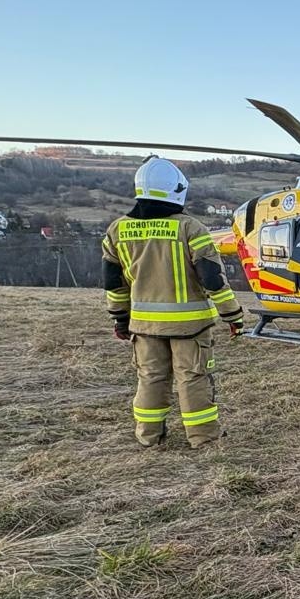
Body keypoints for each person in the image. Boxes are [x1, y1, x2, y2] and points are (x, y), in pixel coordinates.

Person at [101, 157, 245, 448]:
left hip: (144, 326)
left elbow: (114, 283)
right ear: (177, 190)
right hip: (190, 327)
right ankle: (203, 437)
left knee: (151, 378)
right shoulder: (191, 229)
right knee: (193, 378)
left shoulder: (117, 231)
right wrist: (233, 315)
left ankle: (148, 436)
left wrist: (120, 319)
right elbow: (213, 279)